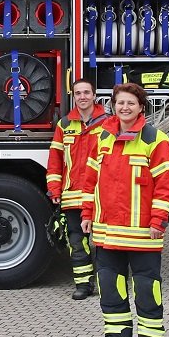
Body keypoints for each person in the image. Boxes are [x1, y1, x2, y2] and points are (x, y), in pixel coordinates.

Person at [81, 83, 169, 337]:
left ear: (141, 107)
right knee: (110, 285)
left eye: (131, 103)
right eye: (120, 103)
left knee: (147, 287)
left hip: (141, 232)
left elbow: (166, 184)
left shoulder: (154, 140)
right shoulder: (102, 139)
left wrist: (159, 221)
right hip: (107, 231)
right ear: (113, 105)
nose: (125, 108)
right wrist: (87, 214)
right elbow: (90, 181)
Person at [46, 78, 109, 300]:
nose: (82, 96)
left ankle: (106, 285)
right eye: (78, 93)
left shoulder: (108, 124)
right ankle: (83, 284)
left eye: (86, 92)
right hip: (72, 195)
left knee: (103, 243)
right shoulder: (64, 125)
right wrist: (54, 189)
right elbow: (55, 160)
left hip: (101, 195)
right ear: (74, 96)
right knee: (76, 242)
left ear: (94, 95)